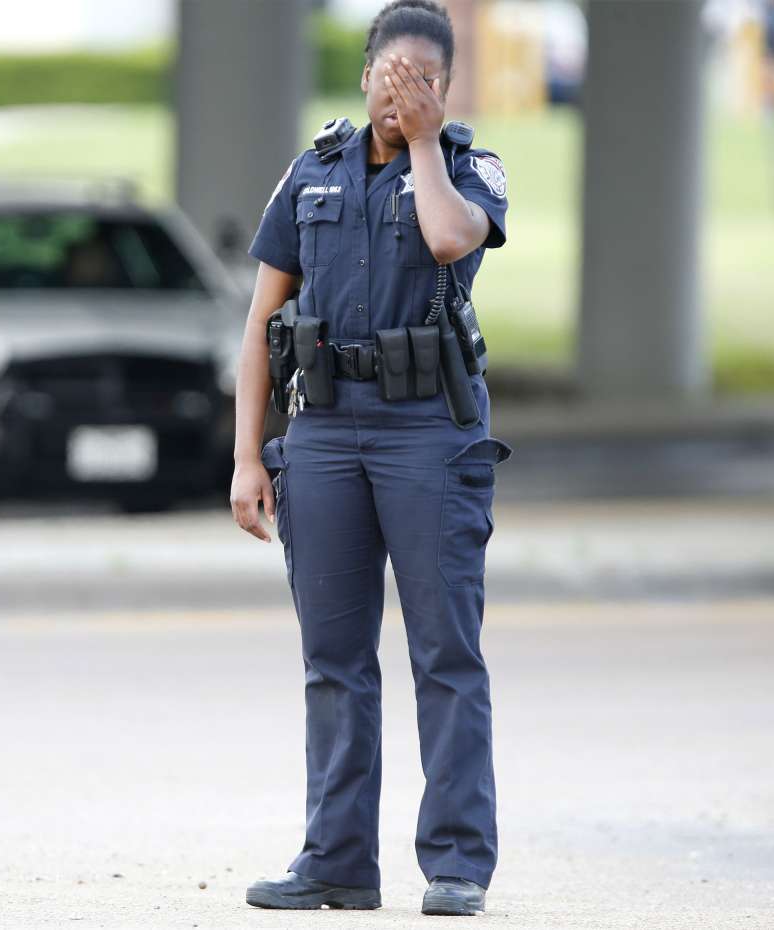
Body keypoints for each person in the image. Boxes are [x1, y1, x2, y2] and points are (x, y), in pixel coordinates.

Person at [229, 0, 512, 917]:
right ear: (363, 74)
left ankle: (458, 862)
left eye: (423, 81)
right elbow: (260, 320)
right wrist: (246, 457)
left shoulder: (469, 169)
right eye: (391, 77)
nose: (403, 96)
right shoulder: (310, 173)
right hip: (323, 434)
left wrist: (427, 144)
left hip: (428, 432)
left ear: (445, 87)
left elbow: (445, 239)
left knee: (445, 654)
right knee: (334, 659)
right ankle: (338, 860)